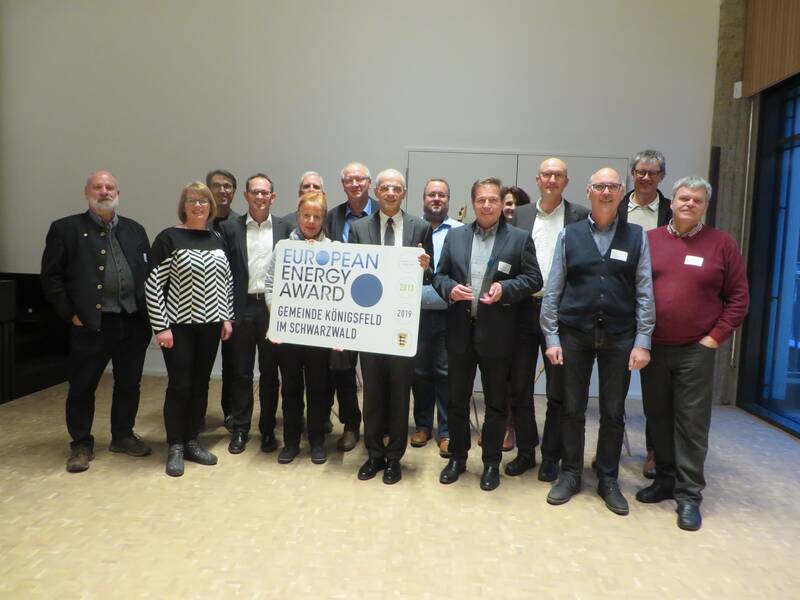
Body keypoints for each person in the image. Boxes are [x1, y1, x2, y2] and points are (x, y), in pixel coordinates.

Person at [541, 168, 655, 515]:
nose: (606, 192)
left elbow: (645, 291)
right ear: (589, 192)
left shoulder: (637, 236)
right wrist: (551, 336)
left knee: (613, 411)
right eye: (600, 186)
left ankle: (607, 477)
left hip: (620, 337)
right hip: (574, 333)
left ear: (622, 193)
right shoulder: (569, 235)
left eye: (613, 187)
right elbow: (553, 289)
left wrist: (643, 339)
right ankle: (571, 473)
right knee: (572, 408)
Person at [638, 176, 748, 531]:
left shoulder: (721, 244)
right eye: (683, 197)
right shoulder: (649, 241)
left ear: (705, 206)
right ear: (671, 201)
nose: (689, 204)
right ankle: (665, 480)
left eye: (697, 200)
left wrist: (714, 338)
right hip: (654, 347)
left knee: (691, 424)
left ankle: (689, 496)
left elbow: (738, 299)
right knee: (658, 417)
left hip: (695, 350)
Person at [433, 177, 542, 491]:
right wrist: (450, 289)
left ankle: (492, 462)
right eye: (481, 199)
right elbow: (438, 276)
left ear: (501, 203)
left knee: (496, 403)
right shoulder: (455, 237)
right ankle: (458, 458)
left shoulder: (519, 239)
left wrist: (506, 289)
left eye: (493, 199)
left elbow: (534, 278)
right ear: (473, 201)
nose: (487, 205)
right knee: (457, 400)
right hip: (458, 333)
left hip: (498, 335)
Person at [42, 170, 153, 473]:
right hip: (92, 323)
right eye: (98, 187)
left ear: (118, 192)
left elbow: (147, 274)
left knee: (129, 383)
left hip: (132, 322)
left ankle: (122, 435)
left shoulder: (135, 230)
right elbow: (51, 278)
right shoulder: (66, 229)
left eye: (110, 187)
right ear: (87, 192)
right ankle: (80, 443)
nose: (104, 191)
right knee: (83, 385)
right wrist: (70, 313)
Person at [349, 169, 432, 484]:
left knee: (399, 392)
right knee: (372, 392)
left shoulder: (420, 227)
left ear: (404, 192)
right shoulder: (358, 228)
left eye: (396, 188)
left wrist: (426, 266)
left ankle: (395, 457)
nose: (390, 193)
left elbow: (430, 274)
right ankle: (373, 454)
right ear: (376, 191)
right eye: (384, 187)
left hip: (402, 324)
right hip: (370, 323)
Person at [509, 158, 589, 481]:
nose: (552, 180)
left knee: (559, 388)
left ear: (566, 182)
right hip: (523, 309)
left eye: (558, 176)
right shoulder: (522, 214)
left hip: (561, 313)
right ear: (538, 179)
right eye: (547, 175)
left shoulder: (580, 216)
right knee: (519, 385)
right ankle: (526, 451)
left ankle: (551, 456)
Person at [145, 182, 233, 477]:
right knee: (180, 385)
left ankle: (193, 441)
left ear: (211, 207)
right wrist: (161, 326)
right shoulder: (169, 238)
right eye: (193, 201)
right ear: (183, 206)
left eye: (204, 201)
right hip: (178, 327)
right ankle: (176, 446)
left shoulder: (216, 238)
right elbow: (153, 284)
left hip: (210, 326)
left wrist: (226, 318)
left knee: (201, 384)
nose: (199, 206)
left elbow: (226, 282)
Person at [219, 174, 291, 455]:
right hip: (242, 307)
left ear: (273, 197)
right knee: (241, 372)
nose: (260, 198)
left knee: (270, 373)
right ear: (246, 196)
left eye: (265, 193)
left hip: (273, 309)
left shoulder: (286, 228)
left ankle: (268, 429)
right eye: (255, 193)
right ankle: (240, 428)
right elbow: (222, 274)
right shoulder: (229, 229)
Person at [265, 191, 333, 464]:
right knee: (291, 389)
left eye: (317, 217)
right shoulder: (283, 248)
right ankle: (291, 442)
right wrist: (279, 317)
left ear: (323, 219)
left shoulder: (334, 249)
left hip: (318, 336)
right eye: (307, 215)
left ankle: (317, 442)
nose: (312, 221)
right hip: (288, 334)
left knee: (318, 390)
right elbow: (270, 286)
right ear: (298, 216)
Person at [618, 150, 672, 479]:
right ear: (632, 174)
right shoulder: (618, 207)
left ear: (661, 177)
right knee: (615, 386)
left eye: (653, 173)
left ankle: (655, 450)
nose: (646, 178)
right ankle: (610, 449)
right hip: (618, 304)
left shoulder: (670, 211)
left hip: (657, 302)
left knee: (656, 390)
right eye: (640, 172)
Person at [323, 162, 378, 451]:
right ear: (343, 185)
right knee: (342, 367)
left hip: (376, 306)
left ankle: (378, 426)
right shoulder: (331, 217)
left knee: (376, 372)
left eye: (360, 179)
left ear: (369, 183)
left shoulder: (386, 212)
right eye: (349, 180)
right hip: (340, 308)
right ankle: (351, 425)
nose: (355, 184)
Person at [410, 179, 462, 457]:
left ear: (448, 199)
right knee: (419, 373)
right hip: (414, 314)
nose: (437, 199)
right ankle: (421, 426)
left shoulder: (459, 232)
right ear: (423, 198)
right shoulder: (412, 228)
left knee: (445, 373)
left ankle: (446, 431)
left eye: (442, 195)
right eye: (432, 194)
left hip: (448, 314)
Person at [205, 169, 241, 430]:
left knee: (233, 362)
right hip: (202, 304)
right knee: (201, 363)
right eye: (216, 186)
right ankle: (196, 413)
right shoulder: (197, 223)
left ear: (235, 191)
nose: (222, 191)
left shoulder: (240, 224)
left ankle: (230, 411)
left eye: (227, 186)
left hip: (232, 305)